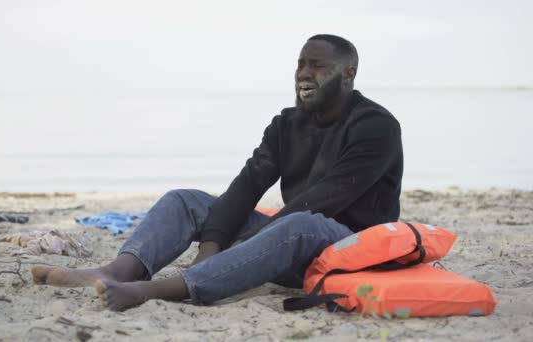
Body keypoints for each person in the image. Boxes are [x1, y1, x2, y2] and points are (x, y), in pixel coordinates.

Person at [31, 34, 403, 311]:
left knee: (302, 221)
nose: (304, 73)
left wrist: (239, 246)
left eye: (317, 65)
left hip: (349, 247)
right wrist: (210, 248)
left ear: (349, 73)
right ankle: (118, 271)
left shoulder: (375, 126)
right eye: (300, 64)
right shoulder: (286, 123)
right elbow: (247, 186)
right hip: (287, 241)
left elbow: (326, 199)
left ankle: (155, 291)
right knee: (185, 201)